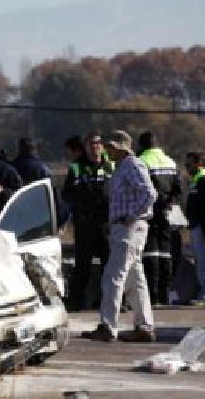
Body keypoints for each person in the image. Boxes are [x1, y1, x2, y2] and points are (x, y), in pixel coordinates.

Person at [83, 130, 157, 342]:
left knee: (113, 276)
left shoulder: (132, 165)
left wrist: (131, 216)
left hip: (129, 227)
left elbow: (149, 193)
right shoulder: (122, 167)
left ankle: (108, 326)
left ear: (120, 148)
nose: (107, 150)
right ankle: (144, 326)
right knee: (135, 279)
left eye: (110, 146)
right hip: (126, 227)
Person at [62, 132, 114, 312]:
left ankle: (112, 300)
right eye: (91, 144)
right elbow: (66, 194)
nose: (95, 147)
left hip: (107, 223)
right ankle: (76, 301)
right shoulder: (76, 167)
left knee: (110, 264)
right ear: (85, 147)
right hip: (85, 223)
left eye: (98, 143)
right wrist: (83, 200)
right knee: (82, 264)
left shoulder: (111, 165)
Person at [137, 131, 182, 306]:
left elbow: (142, 189)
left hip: (150, 212)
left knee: (150, 254)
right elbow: (178, 190)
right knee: (166, 253)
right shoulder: (170, 161)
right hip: (167, 212)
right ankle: (165, 294)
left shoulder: (142, 161)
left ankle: (153, 295)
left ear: (142, 145)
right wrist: (169, 203)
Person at [184, 152, 205, 308]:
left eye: (188, 165)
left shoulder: (203, 180)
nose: (187, 168)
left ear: (198, 164)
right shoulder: (198, 180)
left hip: (203, 226)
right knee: (201, 261)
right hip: (198, 225)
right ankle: (203, 294)